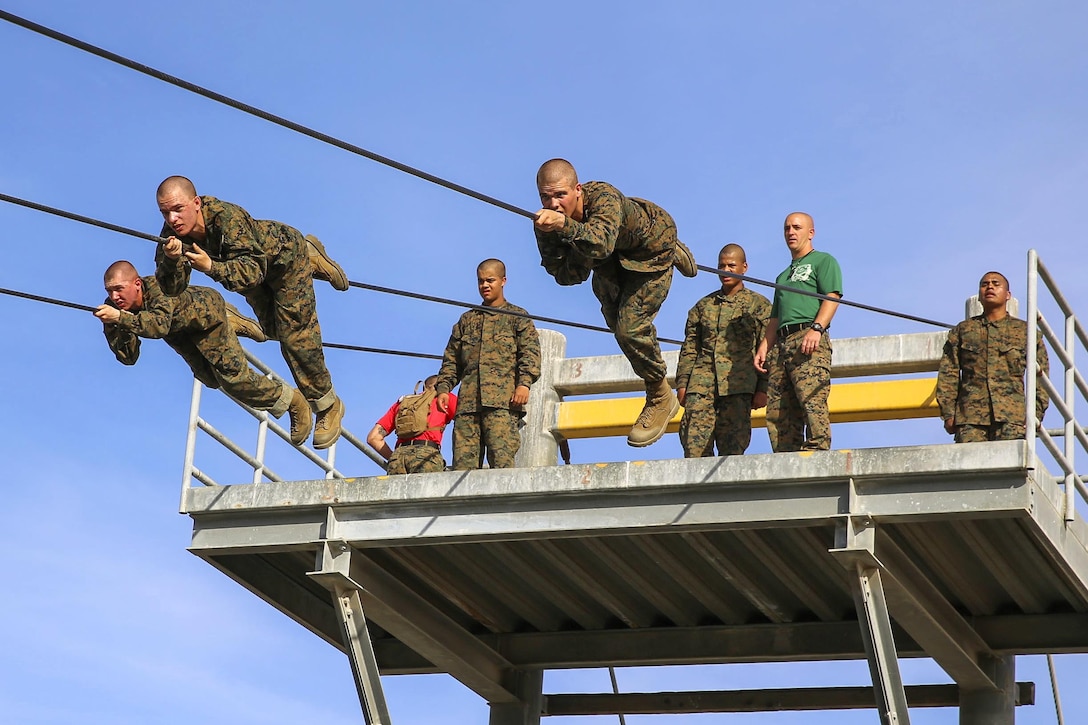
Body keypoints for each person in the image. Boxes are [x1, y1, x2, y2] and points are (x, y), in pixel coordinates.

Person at [153, 176, 346, 449]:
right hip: (251, 278)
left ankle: (327, 404)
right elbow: (171, 290)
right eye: (165, 212)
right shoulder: (172, 236)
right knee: (274, 332)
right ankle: (313, 253)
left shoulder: (226, 218)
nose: (172, 218)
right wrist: (172, 263)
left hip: (284, 261)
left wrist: (212, 267)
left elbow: (251, 273)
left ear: (196, 203)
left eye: (177, 209)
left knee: (296, 339)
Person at [532, 158, 698, 448]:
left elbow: (600, 243)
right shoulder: (547, 223)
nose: (554, 203)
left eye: (560, 195)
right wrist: (559, 236)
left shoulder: (603, 198)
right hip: (611, 263)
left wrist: (566, 227)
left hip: (649, 251)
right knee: (613, 319)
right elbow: (567, 276)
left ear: (577, 190)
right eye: (546, 197)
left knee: (630, 329)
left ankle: (660, 395)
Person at [94, 260, 312, 444]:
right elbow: (129, 357)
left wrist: (120, 318)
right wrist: (115, 326)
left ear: (137, 284)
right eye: (109, 291)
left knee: (234, 380)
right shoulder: (114, 309)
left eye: (119, 289)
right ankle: (233, 321)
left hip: (206, 318)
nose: (114, 296)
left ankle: (292, 400)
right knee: (210, 379)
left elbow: (157, 326)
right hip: (180, 332)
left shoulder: (158, 288)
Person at [435, 259, 541, 470]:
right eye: (481, 281)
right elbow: (451, 360)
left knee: (501, 467)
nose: (485, 285)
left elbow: (530, 354)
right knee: (462, 468)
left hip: (502, 405)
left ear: (503, 281)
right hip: (468, 407)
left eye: (490, 280)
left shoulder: (518, 317)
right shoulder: (467, 320)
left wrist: (524, 384)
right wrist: (444, 389)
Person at [754, 212, 842, 452]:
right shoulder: (782, 276)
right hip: (782, 343)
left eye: (797, 227)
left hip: (808, 336)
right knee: (779, 406)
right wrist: (765, 346)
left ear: (810, 232)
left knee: (811, 397)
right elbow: (775, 317)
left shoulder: (823, 261)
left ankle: (817, 447)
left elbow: (832, 297)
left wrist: (816, 328)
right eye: (787, 228)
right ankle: (785, 454)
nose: (791, 232)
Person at [676, 244, 771, 457]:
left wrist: (763, 388)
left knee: (733, 450)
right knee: (694, 445)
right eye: (722, 266)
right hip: (702, 386)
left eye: (731, 266)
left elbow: (767, 350)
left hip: (738, 386)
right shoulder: (702, 306)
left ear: (744, 267)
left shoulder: (759, 306)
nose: (725, 271)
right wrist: (682, 383)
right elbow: (690, 348)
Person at [936, 271, 1050, 442]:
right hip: (970, 419)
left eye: (996, 284)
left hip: (1012, 418)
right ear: (980, 296)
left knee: (1010, 466)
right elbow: (948, 373)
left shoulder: (1025, 332)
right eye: (984, 284)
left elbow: (1041, 378)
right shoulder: (964, 331)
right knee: (971, 466)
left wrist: (1035, 414)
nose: (989, 286)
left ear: (1008, 295)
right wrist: (948, 413)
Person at [367, 375, 457, 474]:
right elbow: (467, 421)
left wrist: (394, 457)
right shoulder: (445, 398)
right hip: (426, 457)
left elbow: (373, 438)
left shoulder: (402, 403)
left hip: (398, 458)